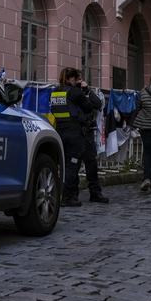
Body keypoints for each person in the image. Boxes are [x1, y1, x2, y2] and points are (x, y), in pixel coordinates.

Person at [51, 68, 108, 206]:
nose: (79, 81)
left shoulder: (55, 92)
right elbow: (91, 106)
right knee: (74, 165)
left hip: (61, 131)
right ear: (72, 79)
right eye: (77, 79)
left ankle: (73, 195)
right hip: (77, 133)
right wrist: (86, 90)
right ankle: (68, 197)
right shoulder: (75, 92)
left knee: (70, 165)